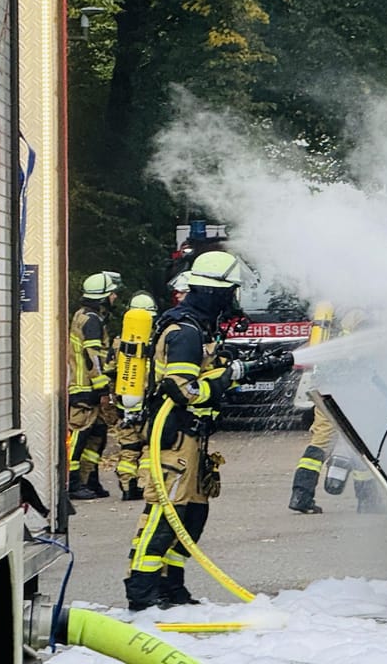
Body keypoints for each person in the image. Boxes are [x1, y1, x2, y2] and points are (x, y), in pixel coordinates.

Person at [124, 250, 280, 610]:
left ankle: (172, 589)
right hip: (175, 439)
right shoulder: (185, 331)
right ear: (217, 292)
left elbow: (210, 376)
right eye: (232, 292)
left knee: (192, 516)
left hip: (193, 439)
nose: (234, 301)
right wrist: (232, 375)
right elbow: (183, 390)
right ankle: (141, 593)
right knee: (166, 516)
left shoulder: (200, 328)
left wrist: (254, 369)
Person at [287, 304, 381, 514]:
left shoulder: (327, 313)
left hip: (324, 386)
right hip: (350, 388)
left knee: (320, 440)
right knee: (360, 440)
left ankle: (301, 495)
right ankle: (367, 500)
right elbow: (367, 349)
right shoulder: (357, 313)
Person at [68, 271, 122, 500]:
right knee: (79, 437)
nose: (115, 297)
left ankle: (89, 480)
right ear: (103, 297)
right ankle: (72, 484)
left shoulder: (84, 315)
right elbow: (93, 357)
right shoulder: (91, 321)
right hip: (84, 389)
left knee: (97, 435)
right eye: (112, 293)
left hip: (86, 387)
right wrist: (102, 389)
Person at [110, 290, 158, 501]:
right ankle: (143, 483)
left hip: (125, 401)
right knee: (148, 447)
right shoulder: (156, 341)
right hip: (148, 402)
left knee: (128, 447)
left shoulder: (119, 342)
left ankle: (127, 485)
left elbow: (110, 368)